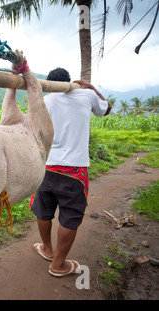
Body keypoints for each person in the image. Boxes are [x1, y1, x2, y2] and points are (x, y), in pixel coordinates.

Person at [30, 67, 112, 277]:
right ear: (70, 82)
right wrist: (92, 87)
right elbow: (106, 109)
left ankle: (47, 250)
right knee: (70, 216)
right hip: (74, 171)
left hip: (45, 166)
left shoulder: (45, 101)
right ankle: (58, 265)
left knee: (43, 210)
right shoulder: (87, 95)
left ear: (50, 84)